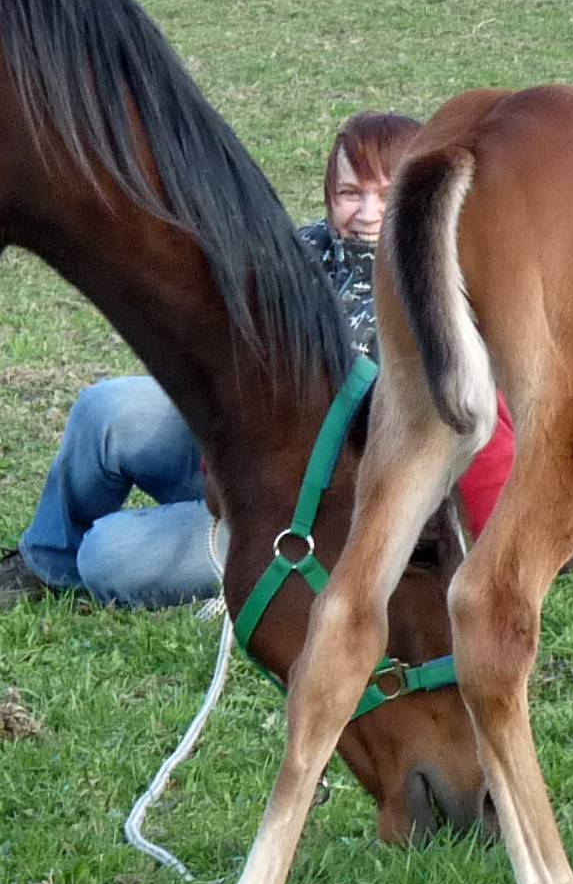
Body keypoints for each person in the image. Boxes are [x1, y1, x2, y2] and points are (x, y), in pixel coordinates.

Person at [0, 112, 518, 610]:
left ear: (419, 196)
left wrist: (496, 551)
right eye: (349, 193)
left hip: (317, 516)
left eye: (386, 194)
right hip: (238, 462)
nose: (365, 213)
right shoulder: (304, 253)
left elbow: (483, 432)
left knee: (108, 553)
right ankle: (47, 563)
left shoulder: (443, 294)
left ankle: (220, 576)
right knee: (106, 409)